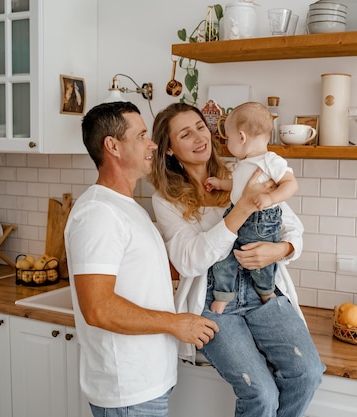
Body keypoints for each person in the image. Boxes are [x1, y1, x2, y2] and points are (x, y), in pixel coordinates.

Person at [148, 102, 324, 417]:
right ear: (170, 149)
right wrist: (242, 206)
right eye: (185, 134)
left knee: (308, 373)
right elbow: (190, 261)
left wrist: (280, 250)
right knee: (261, 395)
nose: (199, 138)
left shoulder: (243, 170)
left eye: (201, 127)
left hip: (263, 292)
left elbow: (292, 228)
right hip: (214, 303)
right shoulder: (165, 199)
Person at [64, 101, 219, 417]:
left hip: (147, 382)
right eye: (141, 136)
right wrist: (175, 323)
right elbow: (97, 307)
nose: (152, 145)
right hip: (127, 390)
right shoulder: (98, 213)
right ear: (113, 146)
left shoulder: (127, 206)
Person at [204, 102, 298, 314]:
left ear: (241, 137)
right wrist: (220, 184)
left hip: (261, 220)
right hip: (237, 216)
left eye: (227, 139)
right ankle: (223, 295)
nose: (227, 144)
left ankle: (266, 291)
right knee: (224, 257)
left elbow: (291, 184)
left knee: (259, 261)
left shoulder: (270, 160)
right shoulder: (243, 163)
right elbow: (239, 187)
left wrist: (270, 198)